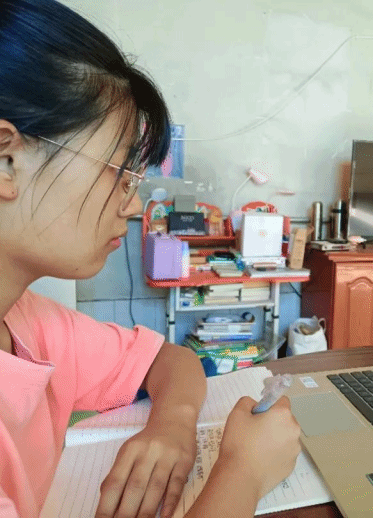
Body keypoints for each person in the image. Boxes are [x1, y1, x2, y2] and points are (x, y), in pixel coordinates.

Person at [0, 1, 301, 517]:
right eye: (119, 171)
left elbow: (170, 358)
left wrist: (173, 425)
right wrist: (244, 472)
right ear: (7, 160)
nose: (135, 205)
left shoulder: (27, 325)